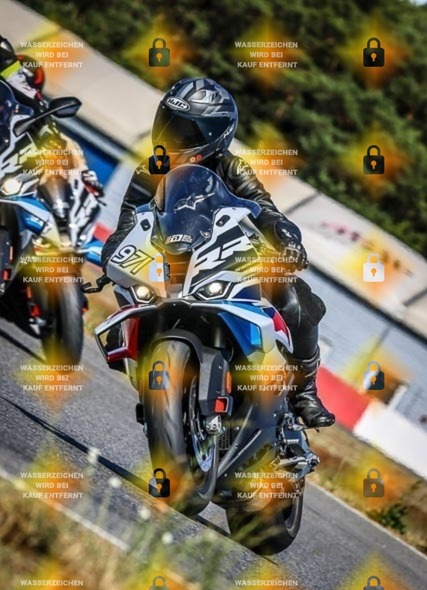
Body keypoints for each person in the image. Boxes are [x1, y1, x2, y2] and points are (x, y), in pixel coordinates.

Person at [102, 77, 335, 429]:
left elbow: (264, 210)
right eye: (168, 124)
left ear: (215, 135)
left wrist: (286, 239)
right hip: (171, 264)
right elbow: (128, 223)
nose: (171, 137)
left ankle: (304, 391)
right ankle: (160, 385)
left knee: (294, 298)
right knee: (129, 304)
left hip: (228, 257)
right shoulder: (150, 170)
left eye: (185, 131)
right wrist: (113, 254)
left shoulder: (232, 168)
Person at [0, 35, 103, 203]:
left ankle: (60, 206)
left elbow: (61, 140)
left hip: (11, 160)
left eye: (27, 82)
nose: (24, 85)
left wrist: (51, 140)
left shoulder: (34, 108)